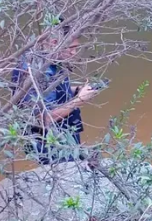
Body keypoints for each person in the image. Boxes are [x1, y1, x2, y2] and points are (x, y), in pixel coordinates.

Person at [10, 26, 102, 165]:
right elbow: (43, 119)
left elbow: (50, 92)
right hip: (51, 147)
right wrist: (79, 100)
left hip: (64, 137)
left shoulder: (50, 61)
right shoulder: (35, 71)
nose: (74, 53)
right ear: (54, 43)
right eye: (72, 48)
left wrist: (76, 90)